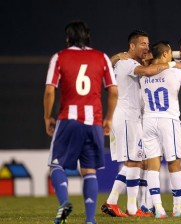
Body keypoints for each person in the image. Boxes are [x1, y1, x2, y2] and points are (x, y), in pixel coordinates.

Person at [101, 30, 181, 217]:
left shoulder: (128, 61)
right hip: (125, 117)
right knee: (134, 161)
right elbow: (148, 70)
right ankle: (119, 203)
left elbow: (155, 59)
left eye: (148, 44)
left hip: (132, 117)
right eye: (142, 44)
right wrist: (172, 63)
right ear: (131, 46)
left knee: (137, 161)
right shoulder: (127, 63)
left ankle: (127, 205)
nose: (146, 48)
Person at [43, 21, 118, 224]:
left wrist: (47, 116)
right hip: (93, 121)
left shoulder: (60, 57)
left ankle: (64, 201)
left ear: (68, 38)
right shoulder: (101, 57)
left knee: (56, 165)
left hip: (68, 118)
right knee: (89, 170)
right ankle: (90, 220)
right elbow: (113, 90)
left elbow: (50, 89)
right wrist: (109, 118)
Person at [140, 41, 181, 218]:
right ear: (165, 55)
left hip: (148, 121)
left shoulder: (144, 74)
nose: (173, 55)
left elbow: (155, 62)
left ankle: (159, 209)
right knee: (174, 164)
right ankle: (177, 208)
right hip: (168, 120)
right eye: (170, 53)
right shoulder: (175, 72)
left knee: (152, 166)